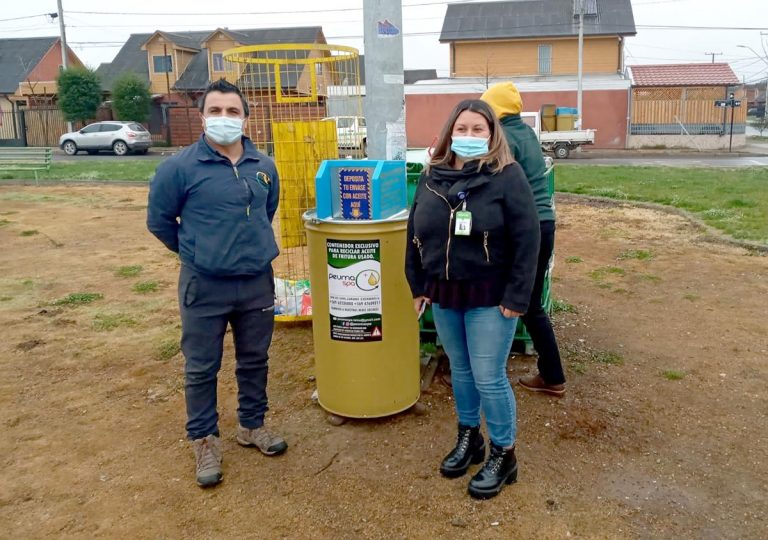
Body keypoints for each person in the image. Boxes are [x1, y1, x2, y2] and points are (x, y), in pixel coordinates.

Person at [147, 78, 287, 488]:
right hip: (204, 286)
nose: (224, 118)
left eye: (232, 111)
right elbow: (159, 222)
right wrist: (196, 252)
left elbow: (267, 209)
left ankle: (252, 425)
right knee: (202, 367)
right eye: (215, 111)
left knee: (254, 359)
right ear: (202, 115)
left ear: (246, 117)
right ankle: (204, 438)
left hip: (256, 281)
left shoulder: (264, 167)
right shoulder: (179, 168)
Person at [405, 99, 540, 499]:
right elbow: (415, 231)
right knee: (460, 372)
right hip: (446, 292)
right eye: (461, 129)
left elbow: (528, 238)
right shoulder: (432, 175)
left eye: (477, 130)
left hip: (491, 294)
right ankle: (470, 437)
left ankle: (504, 452)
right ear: (449, 133)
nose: (468, 137)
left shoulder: (506, 175)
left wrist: (518, 295)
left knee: (488, 376)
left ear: (492, 134)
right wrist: (417, 285)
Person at [482, 81, 567, 397]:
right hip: (544, 225)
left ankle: (486, 372)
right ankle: (552, 374)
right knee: (529, 303)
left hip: (521, 230)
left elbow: (492, 187)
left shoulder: (502, 138)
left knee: (503, 299)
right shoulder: (527, 132)